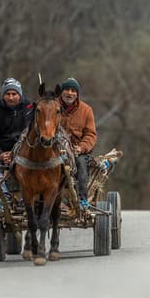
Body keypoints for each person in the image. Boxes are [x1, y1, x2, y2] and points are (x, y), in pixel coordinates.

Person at [0, 78, 34, 211]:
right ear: (3, 95)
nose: (11, 97)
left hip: (26, 154)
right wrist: (0, 154)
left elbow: (35, 134)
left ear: (20, 94)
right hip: (3, 154)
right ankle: (3, 200)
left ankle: (27, 201)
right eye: (8, 94)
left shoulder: (30, 110)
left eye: (14, 94)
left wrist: (20, 153)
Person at [58, 77, 97, 210]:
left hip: (78, 150)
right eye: (67, 90)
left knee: (81, 163)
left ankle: (82, 200)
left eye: (73, 90)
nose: (70, 93)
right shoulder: (53, 107)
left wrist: (81, 147)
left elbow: (91, 134)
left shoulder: (86, 110)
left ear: (77, 93)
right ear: (61, 92)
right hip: (56, 149)